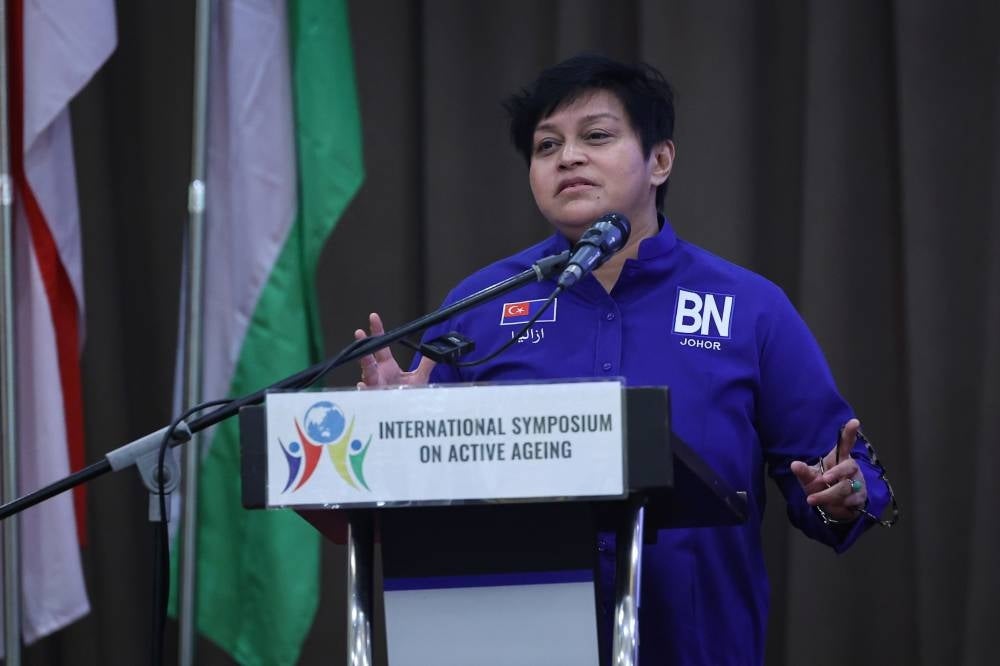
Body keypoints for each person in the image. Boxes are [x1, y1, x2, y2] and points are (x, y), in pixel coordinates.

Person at [353, 54, 891, 665]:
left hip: (694, 646)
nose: (568, 157)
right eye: (547, 145)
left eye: (596, 136)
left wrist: (845, 491)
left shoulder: (749, 307)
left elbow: (839, 467)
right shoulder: (479, 306)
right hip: (514, 642)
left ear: (659, 160)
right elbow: (418, 492)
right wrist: (391, 428)